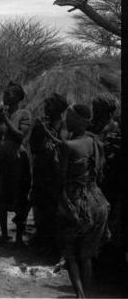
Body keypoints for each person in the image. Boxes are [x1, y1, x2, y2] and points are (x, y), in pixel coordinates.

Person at [55, 104, 109, 298]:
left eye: (69, 117)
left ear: (78, 121)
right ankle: (85, 294)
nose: (66, 120)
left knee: (69, 253)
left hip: (77, 203)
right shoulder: (95, 143)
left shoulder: (68, 146)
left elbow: (61, 177)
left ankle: (80, 295)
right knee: (86, 255)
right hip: (98, 202)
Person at [0, 82, 32, 245]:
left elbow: (20, 136)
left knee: (19, 196)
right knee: (0, 195)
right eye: (4, 94)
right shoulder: (3, 114)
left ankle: (19, 237)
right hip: (1, 159)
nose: (5, 97)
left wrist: (5, 119)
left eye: (8, 95)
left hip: (17, 160)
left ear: (17, 97)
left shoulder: (24, 113)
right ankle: (4, 234)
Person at [29, 93, 68, 249]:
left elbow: (63, 146)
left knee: (52, 206)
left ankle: (51, 243)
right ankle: (40, 237)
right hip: (41, 169)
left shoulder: (63, 126)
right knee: (39, 203)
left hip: (54, 173)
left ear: (57, 108)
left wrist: (46, 132)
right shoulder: (44, 124)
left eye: (49, 105)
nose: (45, 108)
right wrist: (38, 131)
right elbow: (33, 146)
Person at [89, 94, 122, 247]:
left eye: (97, 109)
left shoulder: (113, 128)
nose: (94, 112)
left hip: (108, 177)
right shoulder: (93, 126)